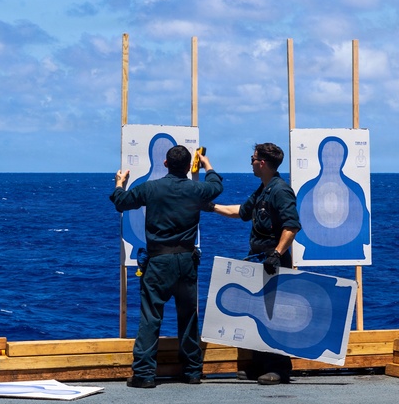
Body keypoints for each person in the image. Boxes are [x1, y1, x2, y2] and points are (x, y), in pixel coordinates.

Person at [110, 145, 223, 388]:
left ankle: (144, 374)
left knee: (151, 317)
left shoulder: (151, 188)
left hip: (159, 262)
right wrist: (207, 165)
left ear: (165, 163)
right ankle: (192, 371)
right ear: (187, 166)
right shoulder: (196, 189)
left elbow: (121, 202)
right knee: (188, 316)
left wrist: (120, 182)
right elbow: (216, 187)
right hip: (186, 261)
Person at [209, 142, 300, 385]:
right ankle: (259, 364)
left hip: (273, 260)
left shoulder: (280, 190)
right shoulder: (263, 189)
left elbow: (291, 226)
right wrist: (211, 207)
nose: (250, 162)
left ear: (262, 162)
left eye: (253, 158)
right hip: (257, 259)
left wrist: (277, 254)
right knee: (256, 313)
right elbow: (241, 212)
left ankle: (279, 369)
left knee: (275, 315)